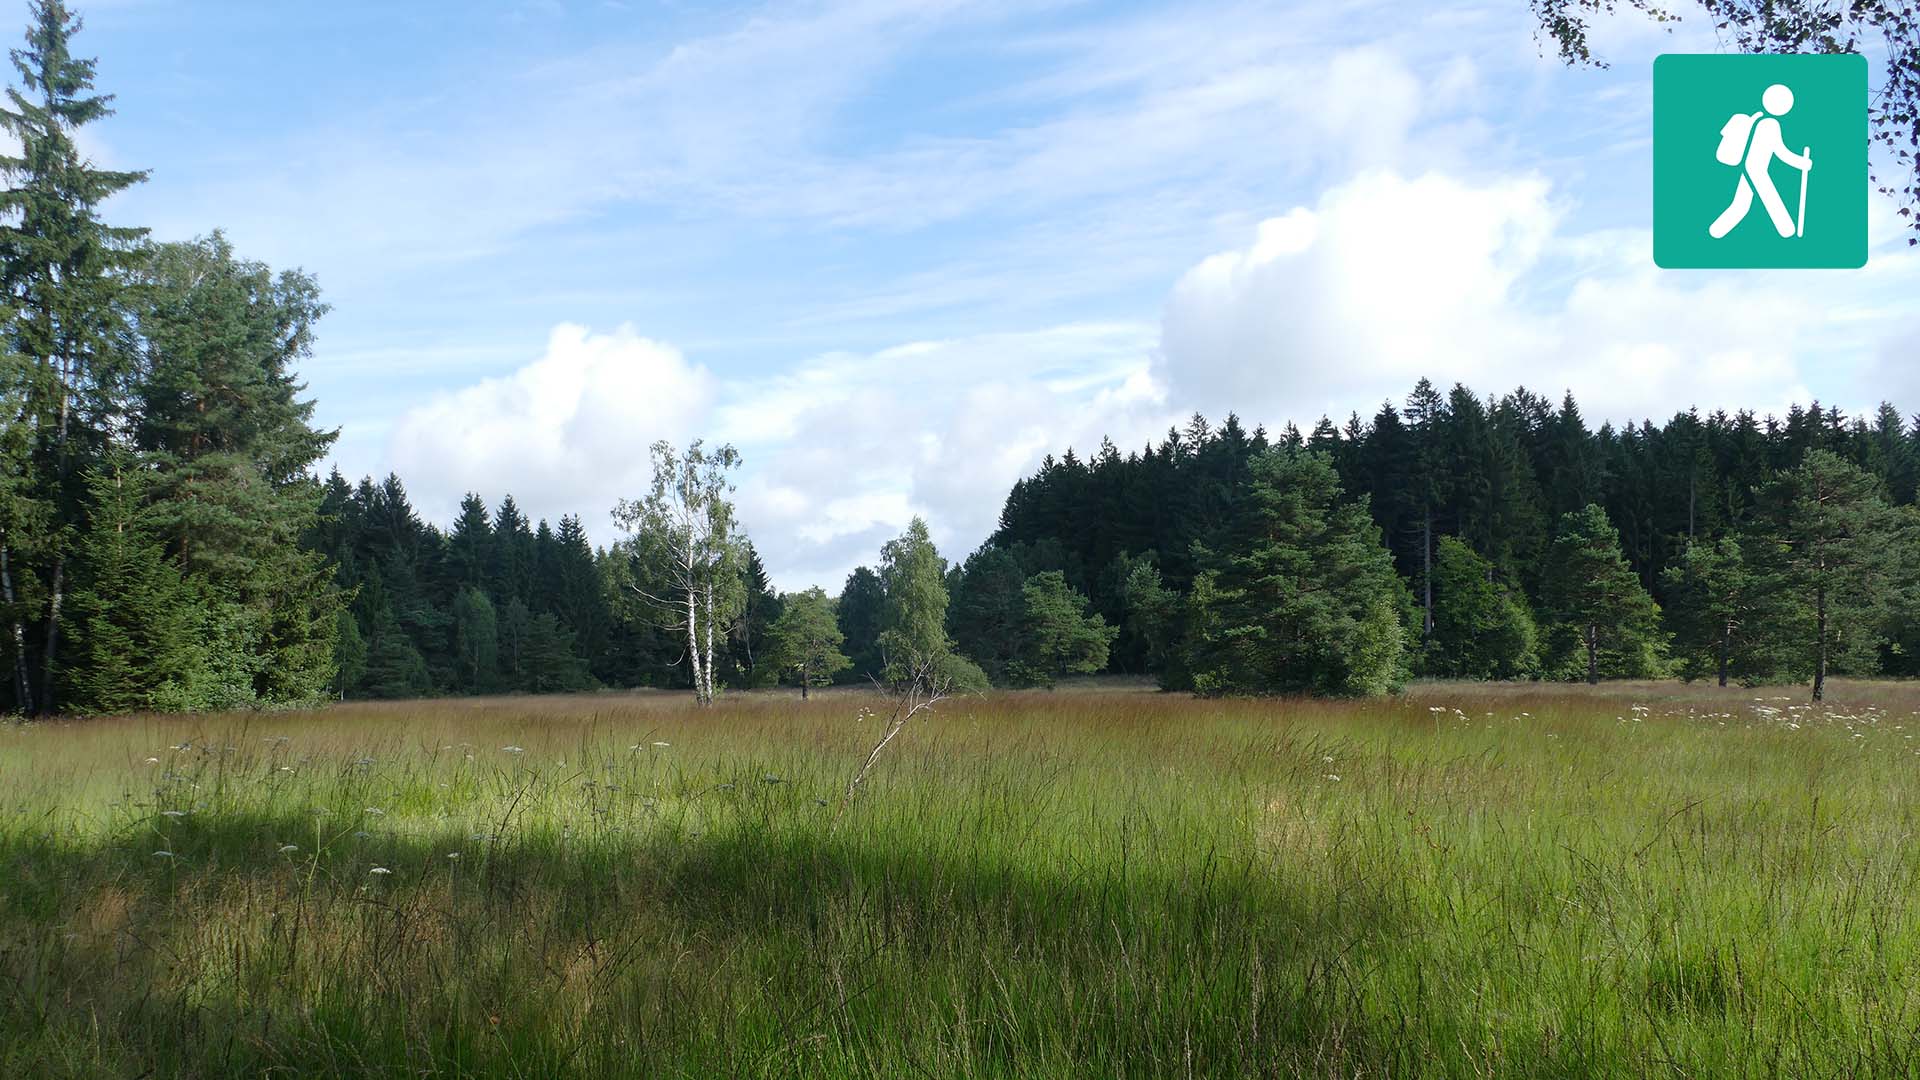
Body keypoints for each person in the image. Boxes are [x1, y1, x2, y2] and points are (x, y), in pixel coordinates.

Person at [1709, 83, 1812, 239]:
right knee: (1768, 200)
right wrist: (1802, 163)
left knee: (1741, 204)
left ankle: (1716, 232)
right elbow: (1781, 152)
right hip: (1756, 169)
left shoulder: (1755, 118)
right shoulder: (1770, 124)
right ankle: (1788, 231)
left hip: (1747, 166)